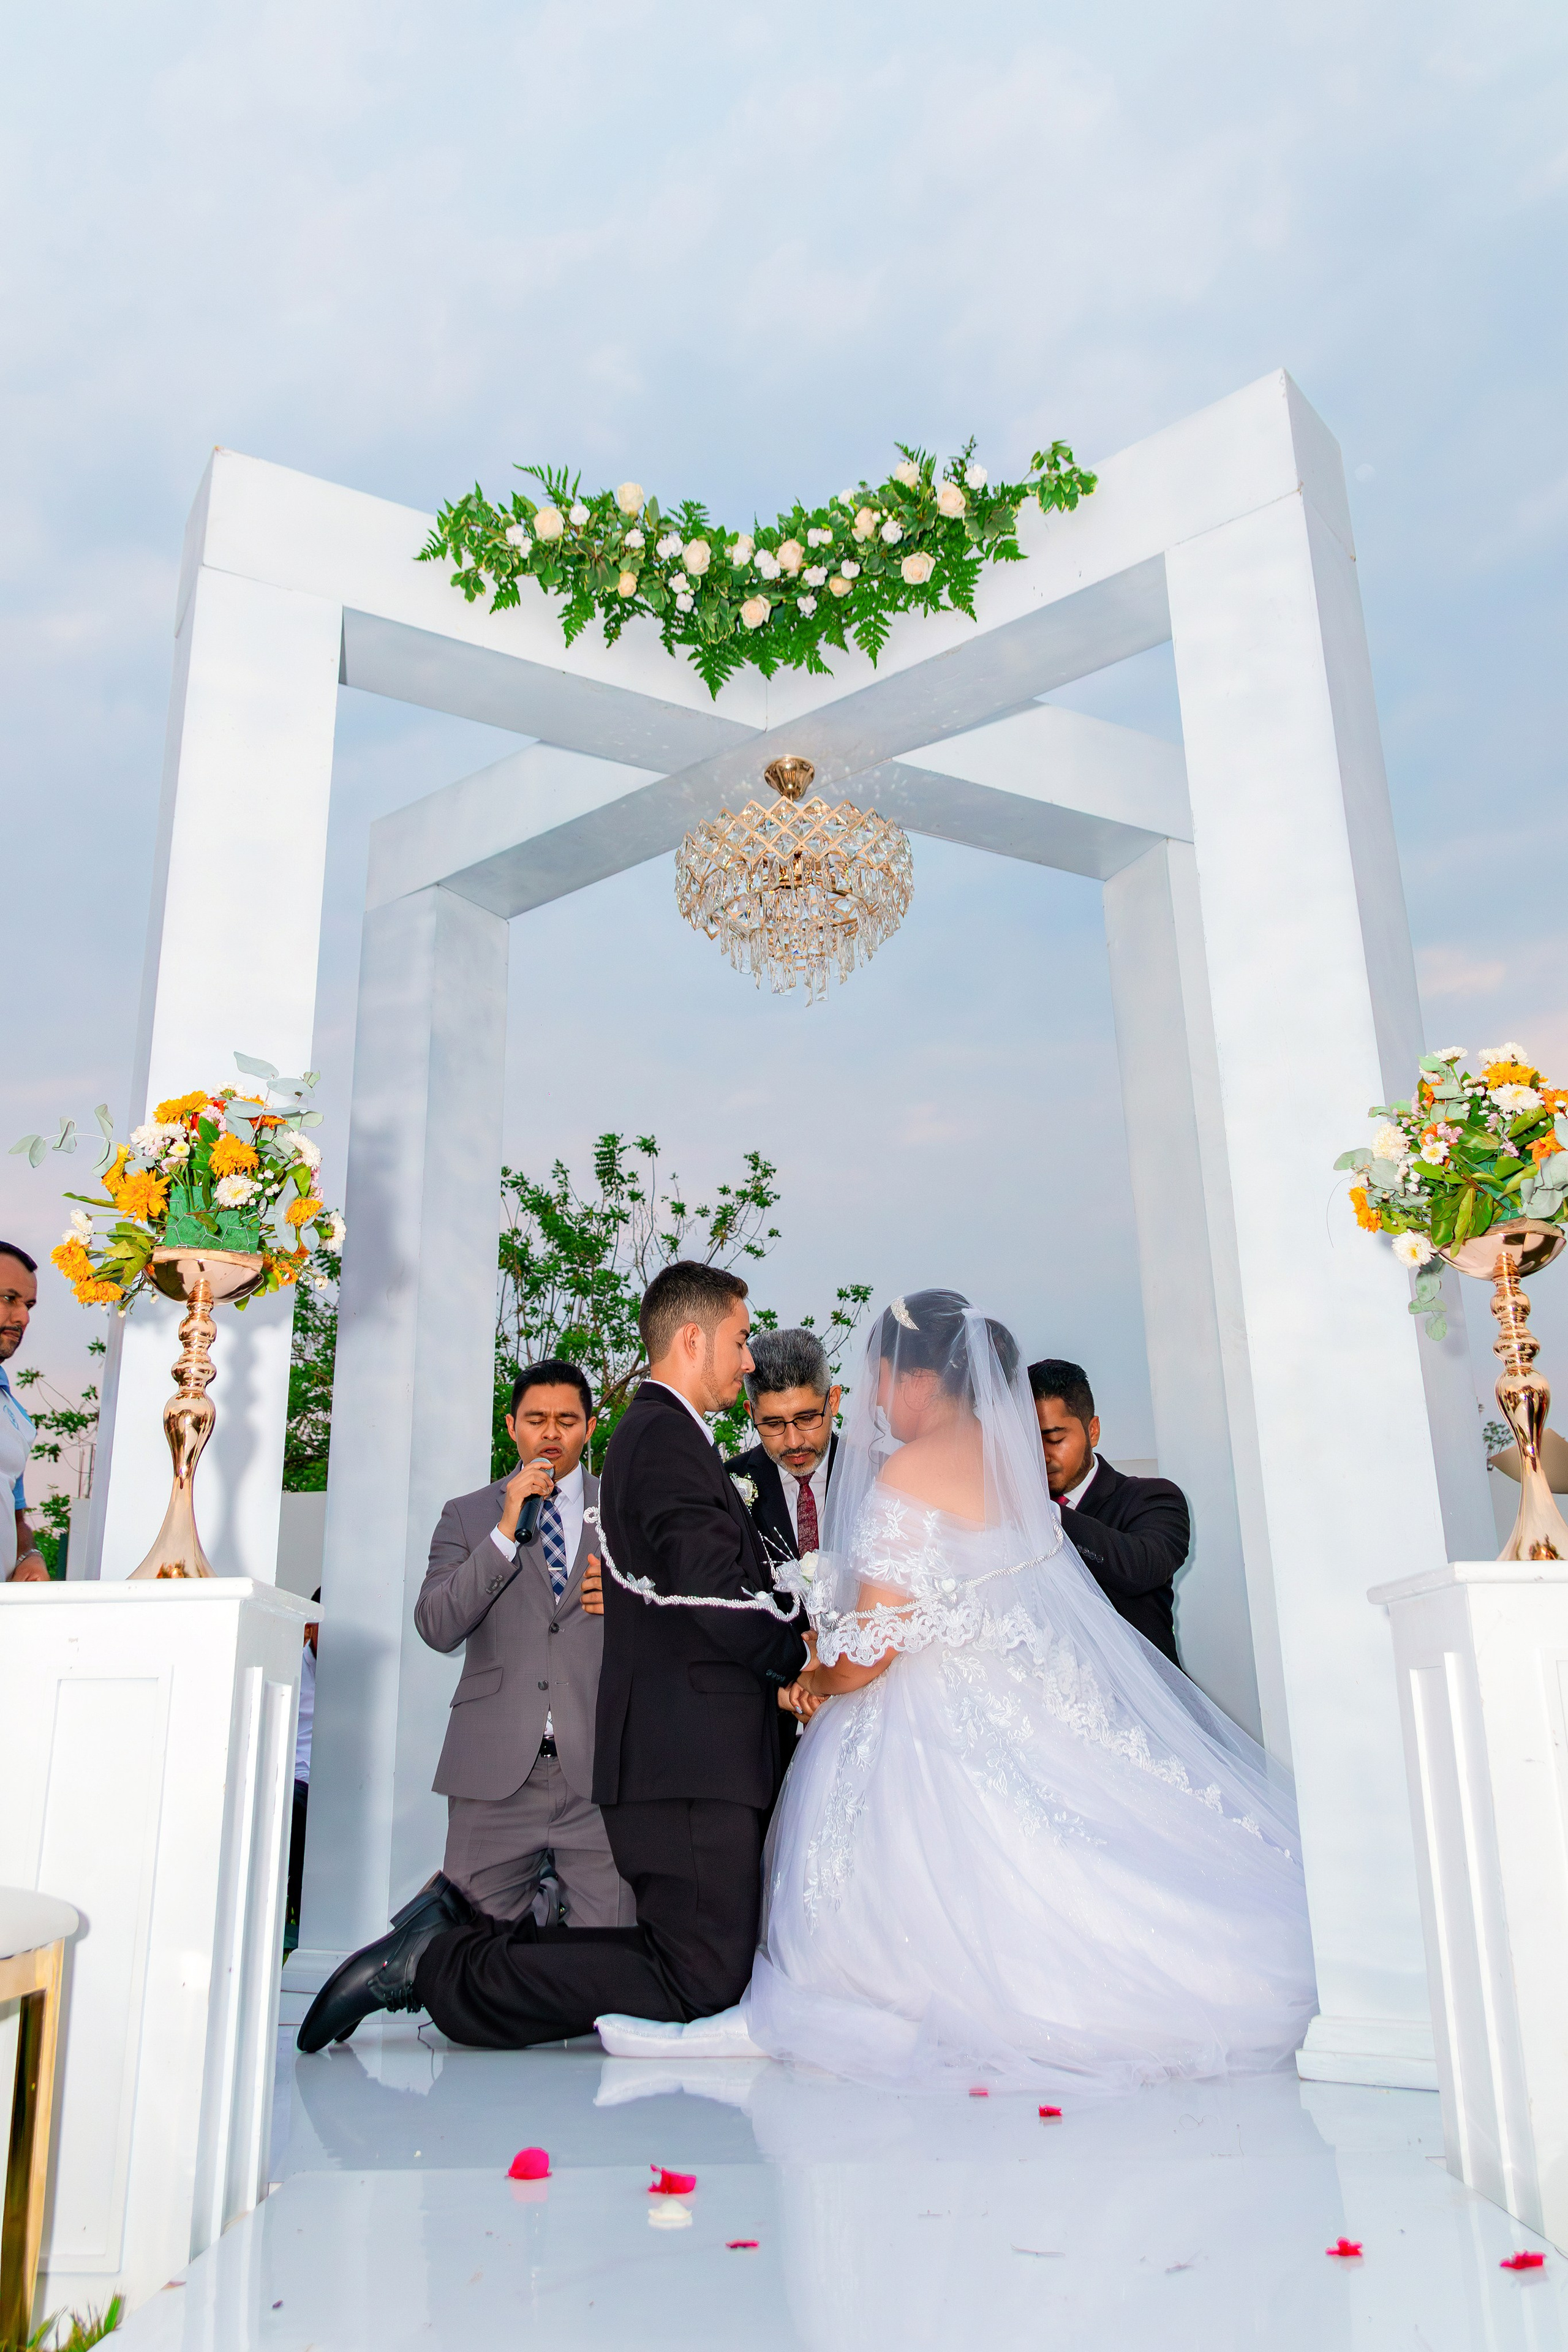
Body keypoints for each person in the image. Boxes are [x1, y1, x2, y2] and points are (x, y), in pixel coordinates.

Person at [600, 1291, 1315, 2094]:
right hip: (1021, 1700)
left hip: (928, 1718)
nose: (870, 1401)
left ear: (918, 1380)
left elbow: (874, 1647)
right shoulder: (1005, 1463)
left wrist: (814, 1681)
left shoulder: (912, 1467)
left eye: (877, 1379)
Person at [297, 1261, 810, 2053]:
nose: (749, 1361)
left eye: (568, 1419)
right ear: (692, 1338)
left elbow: (678, 1593)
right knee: (698, 1976)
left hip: (638, 1759)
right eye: (741, 1342)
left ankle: (447, 1956)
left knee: (693, 1969)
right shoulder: (664, 1439)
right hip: (672, 1760)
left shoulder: (657, 1446)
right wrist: (794, 1657)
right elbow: (710, 1594)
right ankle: (444, 1964)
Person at [409, 1360, 631, 1929]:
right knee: (470, 1954)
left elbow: (675, 1622)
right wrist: (504, 1534)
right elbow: (436, 1625)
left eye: (566, 1420)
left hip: (601, 1771)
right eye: (536, 1419)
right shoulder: (468, 1515)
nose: (551, 1433)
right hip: (493, 1770)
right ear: (512, 1427)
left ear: (590, 1426)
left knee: (612, 1952)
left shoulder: (626, 1512)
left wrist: (627, 1601)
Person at [724, 1326, 840, 1785]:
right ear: (751, 1412)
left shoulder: (880, 1479)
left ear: (833, 1402)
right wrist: (786, 1687)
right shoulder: (726, 1487)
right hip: (764, 1733)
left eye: (808, 1418)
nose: (793, 1442)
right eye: (773, 1424)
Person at [1028, 1357, 1190, 1669]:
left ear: (1094, 1430)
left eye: (1055, 1439)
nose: (1042, 1455)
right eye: (1029, 1441)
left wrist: (1046, 1513)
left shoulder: (1153, 1497)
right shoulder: (1005, 1518)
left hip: (1148, 1704)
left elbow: (1140, 1567)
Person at [1, 1243, 48, 1583]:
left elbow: (15, 1519)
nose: (24, 1318)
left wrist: (30, 1556)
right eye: (8, 1298)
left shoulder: (17, 1419)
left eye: (28, 1305)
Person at [285, 1591, 320, 1951]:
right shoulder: (290, 1670)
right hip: (299, 1783)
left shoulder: (349, 1675)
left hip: (334, 1785)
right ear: (310, 1628)